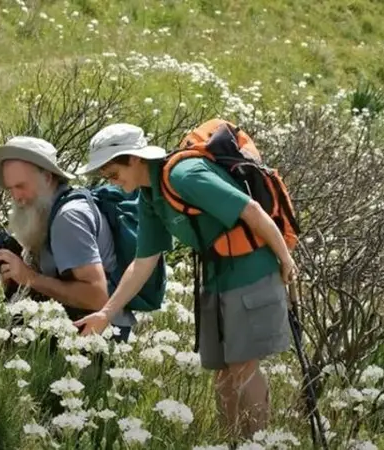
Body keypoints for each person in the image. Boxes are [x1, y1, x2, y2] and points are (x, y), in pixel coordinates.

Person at [72, 123, 297, 440]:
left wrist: (285, 259)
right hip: (217, 275)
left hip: (251, 268)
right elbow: (143, 262)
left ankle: (257, 443)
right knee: (222, 372)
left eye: (112, 173)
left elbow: (251, 210)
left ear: (134, 159)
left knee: (243, 367)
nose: (112, 182)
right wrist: (106, 313)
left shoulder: (184, 176)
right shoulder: (150, 197)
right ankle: (229, 442)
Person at [0, 135, 136, 350]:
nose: (16, 197)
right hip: (73, 325)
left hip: (97, 337)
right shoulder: (47, 212)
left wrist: (29, 277)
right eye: (10, 189)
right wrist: (12, 267)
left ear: (48, 177)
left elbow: (98, 297)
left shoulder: (68, 218)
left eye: (22, 186)